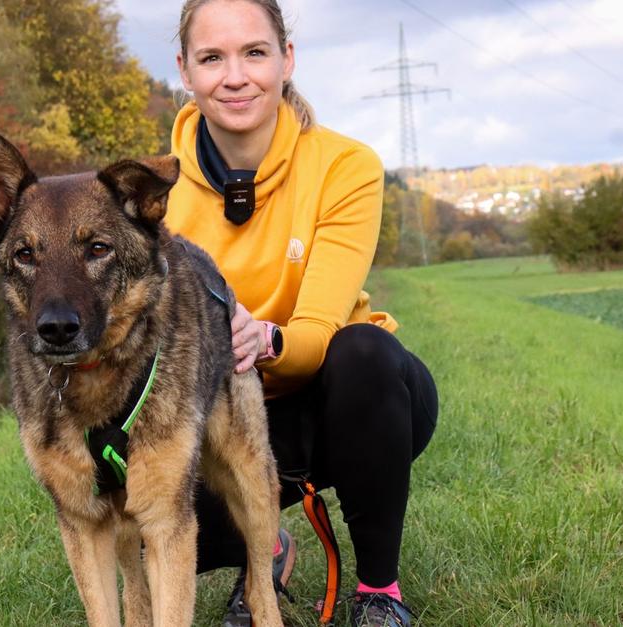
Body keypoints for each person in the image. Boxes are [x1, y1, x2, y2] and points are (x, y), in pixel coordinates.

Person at [163, 1, 440, 625]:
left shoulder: (346, 166)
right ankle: (266, 554)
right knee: (146, 495)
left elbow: (317, 330)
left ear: (287, 59)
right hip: (227, 418)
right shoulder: (157, 192)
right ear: (185, 70)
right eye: (212, 57)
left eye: (254, 52)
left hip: (344, 402)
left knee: (363, 352)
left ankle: (378, 593)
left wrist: (263, 336)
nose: (236, 76)